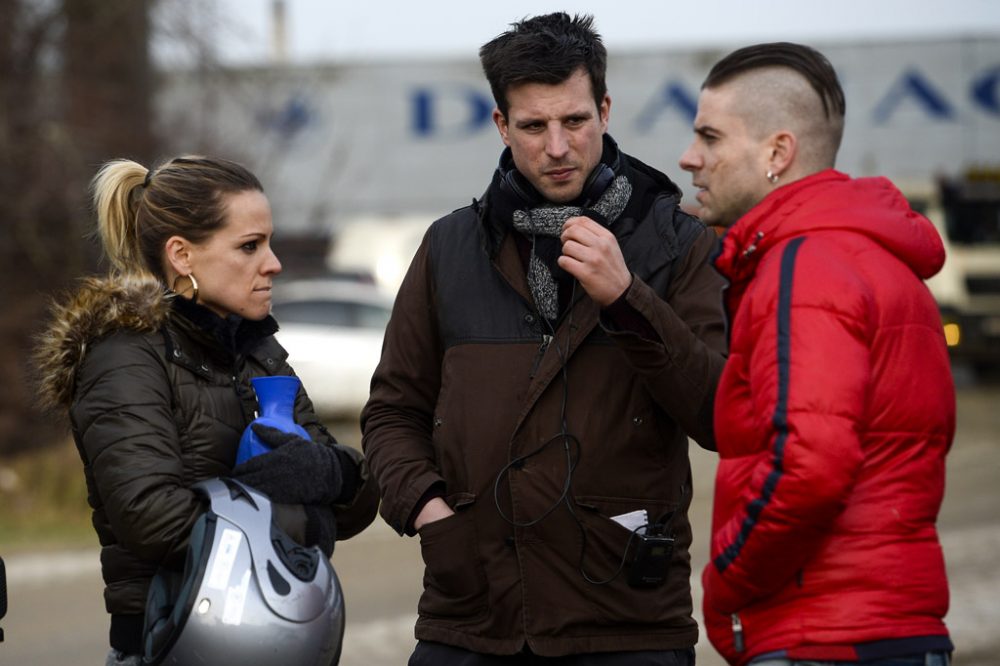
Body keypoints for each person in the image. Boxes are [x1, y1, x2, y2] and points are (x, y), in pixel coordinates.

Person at [361, 12, 727, 665]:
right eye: (533, 126)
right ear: (501, 125)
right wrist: (427, 510)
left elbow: (718, 415)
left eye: (575, 121)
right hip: (471, 616)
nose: (557, 147)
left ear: (606, 110)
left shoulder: (680, 241)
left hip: (625, 621)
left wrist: (628, 297)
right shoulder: (450, 247)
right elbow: (392, 411)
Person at [34, 155, 379, 665]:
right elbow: (152, 519)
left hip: (279, 642)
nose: (274, 263)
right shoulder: (124, 354)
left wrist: (328, 472)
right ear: (182, 256)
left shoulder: (258, 352)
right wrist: (300, 513)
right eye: (249, 246)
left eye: (269, 241)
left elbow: (356, 495)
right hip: (172, 643)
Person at [678, 43, 955, 666]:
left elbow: (811, 466)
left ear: (777, 153)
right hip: (893, 625)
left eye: (710, 137)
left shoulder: (806, 266)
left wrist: (725, 582)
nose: (690, 157)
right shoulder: (874, 257)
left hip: (823, 637)